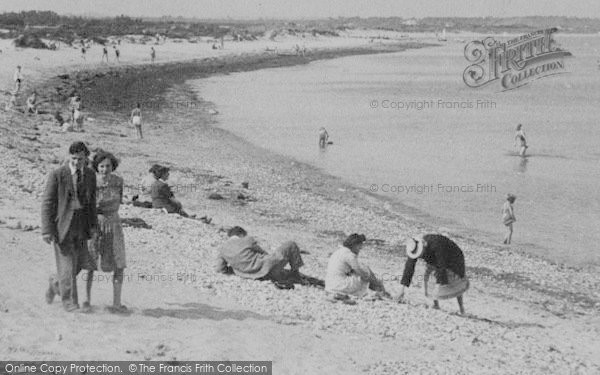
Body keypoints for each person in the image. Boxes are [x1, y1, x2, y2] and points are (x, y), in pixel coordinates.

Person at [42, 142, 97, 312]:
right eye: (73, 158)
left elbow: (92, 203)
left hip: (82, 224)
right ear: (69, 156)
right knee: (66, 265)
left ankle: (55, 283)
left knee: (79, 264)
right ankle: (70, 303)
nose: (76, 162)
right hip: (62, 225)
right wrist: (46, 229)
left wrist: (93, 226)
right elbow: (48, 202)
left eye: (80, 159)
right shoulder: (58, 174)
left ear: (86, 158)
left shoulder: (89, 175)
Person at [84, 151, 128, 314]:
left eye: (108, 166)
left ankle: (116, 303)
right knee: (90, 262)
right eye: (101, 166)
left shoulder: (118, 181)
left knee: (119, 263)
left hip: (114, 223)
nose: (105, 169)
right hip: (96, 222)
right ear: (96, 167)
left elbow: (120, 200)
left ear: (113, 166)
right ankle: (85, 300)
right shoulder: (91, 182)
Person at [215, 226, 321, 288]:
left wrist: (236, 268)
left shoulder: (223, 249)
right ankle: (295, 273)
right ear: (241, 234)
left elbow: (220, 268)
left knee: (282, 270)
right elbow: (265, 254)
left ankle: (289, 274)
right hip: (266, 269)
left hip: (250, 275)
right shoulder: (247, 240)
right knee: (291, 244)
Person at [397, 234, 469, 314]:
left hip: (453, 257)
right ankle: (436, 305)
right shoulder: (413, 247)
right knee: (429, 279)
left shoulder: (436, 245)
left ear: (423, 247)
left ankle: (461, 308)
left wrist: (439, 285)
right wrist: (402, 289)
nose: (419, 256)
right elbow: (409, 268)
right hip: (434, 258)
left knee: (455, 282)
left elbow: (441, 266)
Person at [325, 233, 387, 301]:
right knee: (366, 271)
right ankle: (380, 290)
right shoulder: (349, 255)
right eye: (360, 246)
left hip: (330, 285)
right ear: (355, 245)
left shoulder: (339, 251)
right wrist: (374, 280)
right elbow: (361, 272)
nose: (360, 248)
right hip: (339, 286)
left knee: (364, 274)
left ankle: (378, 289)